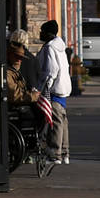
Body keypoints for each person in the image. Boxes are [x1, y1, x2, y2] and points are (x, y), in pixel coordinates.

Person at [35, 19, 72, 165]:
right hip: (63, 88)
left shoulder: (50, 48)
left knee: (56, 122)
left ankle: (55, 154)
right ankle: (65, 152)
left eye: (42, 31)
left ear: (48, 33)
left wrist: (44, 87)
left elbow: (51, 70)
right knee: (62, 121)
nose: (40, 34)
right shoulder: (60, 47)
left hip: (54, 89)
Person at [6, 40, 39, 107]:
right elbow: (14, 94)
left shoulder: (14, 71)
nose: (19, 60)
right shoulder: (7, 73)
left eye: (21, 58)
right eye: (16, 57)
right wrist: (33, 96)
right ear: (9, 55)